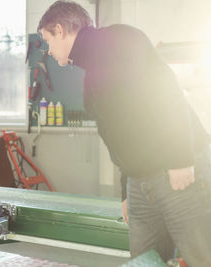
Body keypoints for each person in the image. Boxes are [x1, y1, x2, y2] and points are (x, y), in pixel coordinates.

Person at [37, 1, 211, 265]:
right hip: (140, 183)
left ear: (60, 30)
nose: (48, 50)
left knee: (201, 256)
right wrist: (125, 191)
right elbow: (116, 140)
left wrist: (181, 159)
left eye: (47, 40)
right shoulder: (90, 81)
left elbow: (167, 92)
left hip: (177, 170)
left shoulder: (121, 39)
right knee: (144, 261)